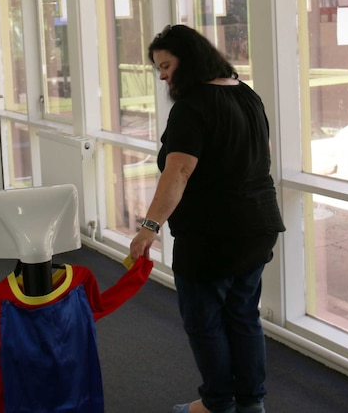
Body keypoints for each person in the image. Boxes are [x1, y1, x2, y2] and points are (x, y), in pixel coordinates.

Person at [130, 24, 285, 413]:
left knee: (205, 322)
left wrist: (148, 228)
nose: (163, 75)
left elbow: (178, 172)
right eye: (159, 69)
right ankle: (251, 404)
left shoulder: (194, 105)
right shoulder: (246, 94)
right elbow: (256, 157)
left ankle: (217, 403)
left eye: (166, 65)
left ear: (189, 59)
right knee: (243, 316)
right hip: (258, 226)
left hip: (213, 233)